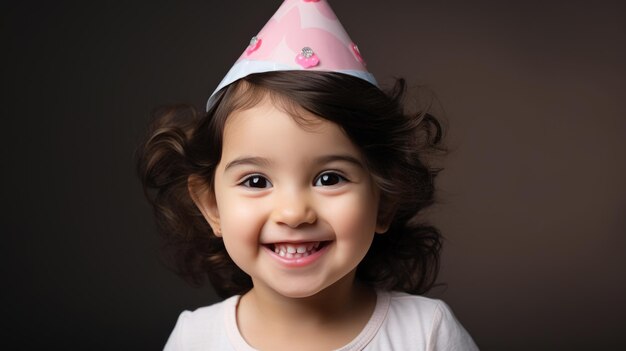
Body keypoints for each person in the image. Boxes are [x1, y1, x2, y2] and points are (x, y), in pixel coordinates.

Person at [136, 1, 479, 350]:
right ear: (211, 206)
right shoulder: (196, 339)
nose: (294, 213)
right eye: (256, 181)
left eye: (329, 178)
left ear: (384, 200)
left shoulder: (426, 333)